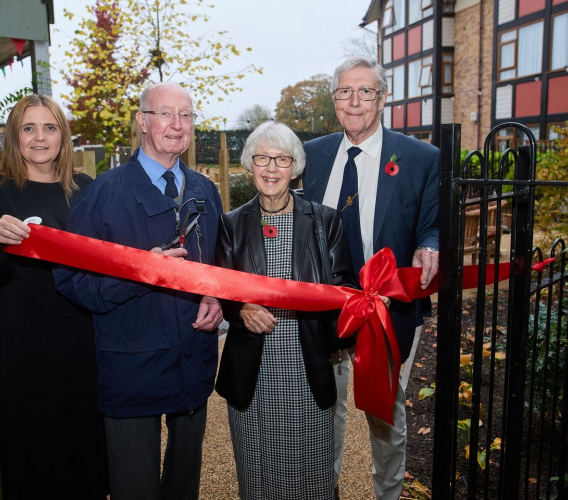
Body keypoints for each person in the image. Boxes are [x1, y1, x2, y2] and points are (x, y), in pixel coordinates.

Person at [54, 82, 224, 500]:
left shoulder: (205, 191)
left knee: (184, 482)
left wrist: (216, 296)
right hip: (131, 364)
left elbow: (222, 265)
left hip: (194, 357)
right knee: (135, 486)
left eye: (186, 115)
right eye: (165, 113)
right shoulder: (102, 194)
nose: (177, 124)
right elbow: (72, 279)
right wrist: (141, 272)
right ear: (142, 122)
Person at [302, 56, 440, 500]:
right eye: (344, 91)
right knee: (327, 405)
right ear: (335, 99)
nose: (354, 101)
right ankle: (328, 489)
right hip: (327, 306)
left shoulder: (420, 158)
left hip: (389, 305)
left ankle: (389, 494)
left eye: (365, 91)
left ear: (383, 98)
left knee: (385, 412)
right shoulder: (312, 155)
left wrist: (430, 245)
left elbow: (432, 223)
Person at [215, 122, 359, 500]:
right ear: (249, 165)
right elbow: (220, 289)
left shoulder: (324, 220)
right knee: (258, 473)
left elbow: (346, 289)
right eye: (262, 158)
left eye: (282, 159)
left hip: (306, 363)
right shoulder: (231, 224)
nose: (271, 168)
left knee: (310, 470)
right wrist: (240, 306)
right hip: (253, 368)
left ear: (295, 167)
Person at [0, 94, 109, 499]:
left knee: (84, 437)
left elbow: (102, 264)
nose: (39, 138)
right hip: (24, 339)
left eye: (49, 128)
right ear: (15, 138)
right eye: (28, 128)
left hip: (80, 334)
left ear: (63, 137)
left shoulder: (85, 189)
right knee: (31, 441)